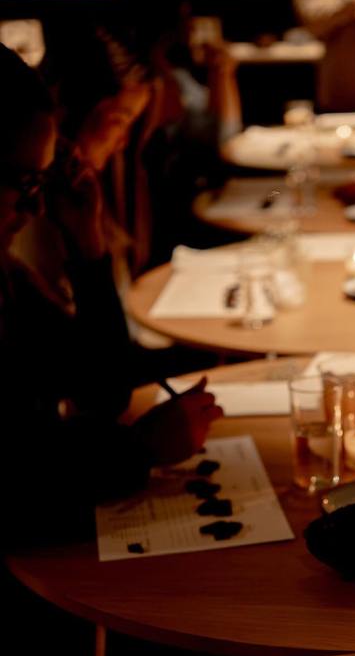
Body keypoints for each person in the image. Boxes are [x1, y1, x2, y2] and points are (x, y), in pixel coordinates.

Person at [0, 43, 223, 545]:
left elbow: (100, 389)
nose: (36, 207)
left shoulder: (7, 275)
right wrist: (139, 448)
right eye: (24, 183)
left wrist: (87, 246)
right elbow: (16, 486)